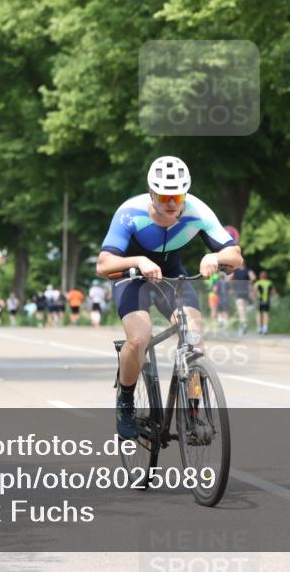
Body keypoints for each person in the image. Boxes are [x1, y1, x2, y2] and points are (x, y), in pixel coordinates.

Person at [96, 156, 243, 439]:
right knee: (139, 339)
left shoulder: (198, 211)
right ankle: (125, 403)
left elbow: (235, 255)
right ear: (152, 193)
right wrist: (137, 260)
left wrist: (215, 255)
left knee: (194, 340)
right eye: (164, 196)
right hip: (132, 278)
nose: (171, 203)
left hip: (172, 277)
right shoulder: (130, 212)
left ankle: (192, 414)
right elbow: (103, 265)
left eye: (177, 196)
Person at [230, 261, 255, 336]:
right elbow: (253, 277)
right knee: (244, 308)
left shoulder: (235, 270)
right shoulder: (247, 270)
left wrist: (232, 286)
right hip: (246, 291)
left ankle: (243, 324)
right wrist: (249, 283)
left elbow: (229, 278)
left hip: (239, 291)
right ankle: (244, 324)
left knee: (241, 309)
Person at [254, 270, 276, 334]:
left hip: (259, 301)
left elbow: (254, 292)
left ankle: (259, 328)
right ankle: (265, 328)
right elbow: (273, 292)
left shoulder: (257, 283)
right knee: (266, 314)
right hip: (267, 301)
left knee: (258, 314)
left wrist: (254, 299)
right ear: (266, 276)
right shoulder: (269, 282)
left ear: (260, 276)